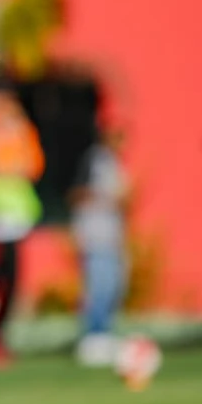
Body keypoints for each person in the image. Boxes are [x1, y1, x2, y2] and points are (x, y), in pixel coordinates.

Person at [68, 113, 130, 368]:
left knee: (113, 287)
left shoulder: (114, 161)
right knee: (99, 288)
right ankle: (93, 337)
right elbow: (76, 193)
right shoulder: (94, 160)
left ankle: (104, 334)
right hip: (95, 236)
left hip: (112, 236)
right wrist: (105, 198)